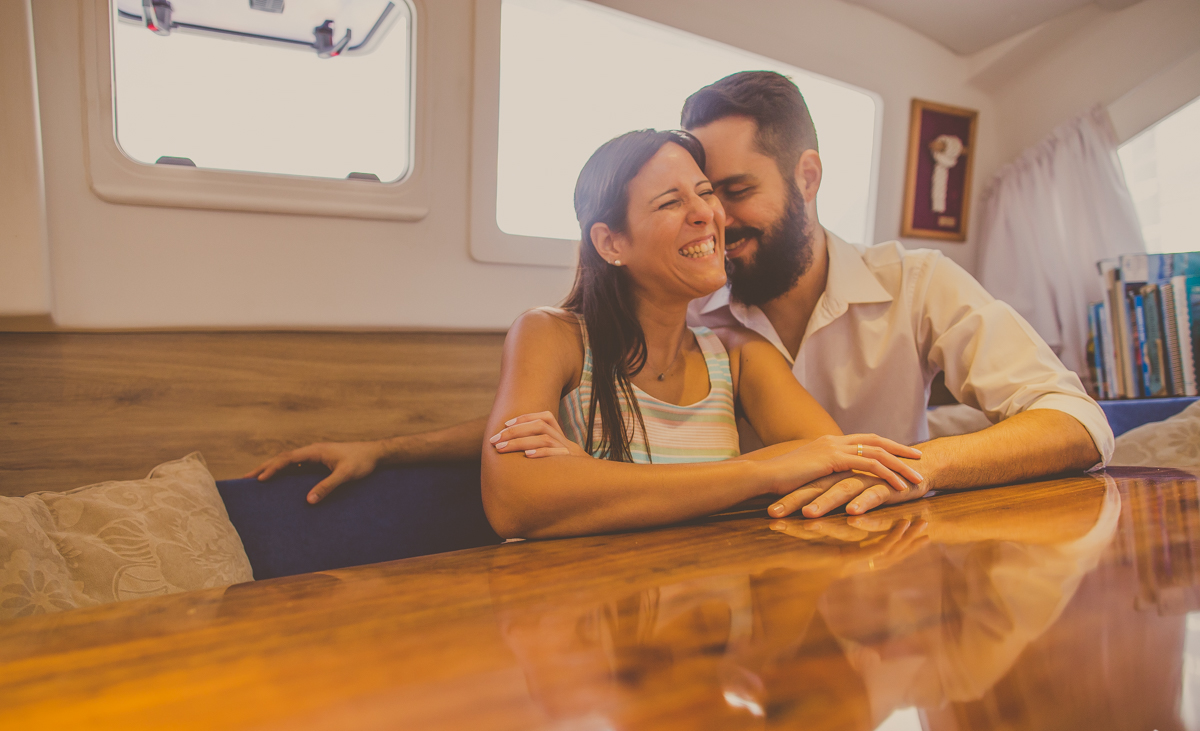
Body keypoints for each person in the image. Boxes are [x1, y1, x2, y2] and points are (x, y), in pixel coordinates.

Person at [249, 71, 1112, 520]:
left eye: (727, 190)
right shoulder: (676, 311)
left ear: (806, 176)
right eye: (686, 195)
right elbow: (567, 416)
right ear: (614, 242)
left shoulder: (900, 287)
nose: (713, 217)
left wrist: (895, 475)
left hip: (840, 554)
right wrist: (393, 449)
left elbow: (1074, 425)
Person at [476, 128, 922, 538]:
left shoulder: (738, 355)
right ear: (611, 243)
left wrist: (587, 474)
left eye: (705, 193)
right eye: (670, 202)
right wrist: (761, 472)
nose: (707, 213)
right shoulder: (552, 336)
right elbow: (515, 501)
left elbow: (832, 464)